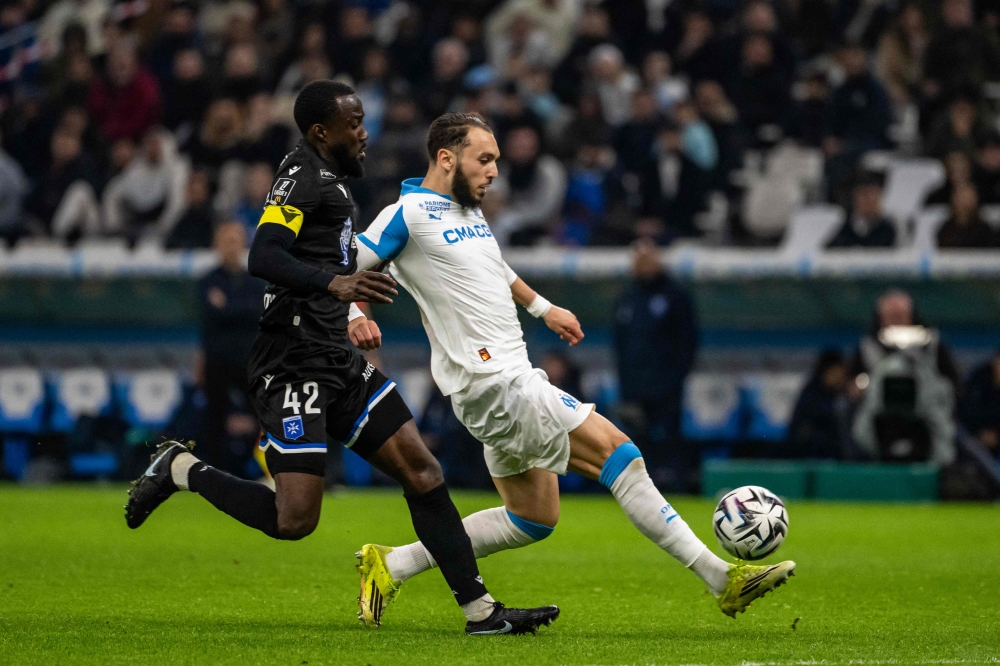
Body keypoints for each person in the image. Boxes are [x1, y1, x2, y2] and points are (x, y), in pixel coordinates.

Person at [124, 82, 558, 637]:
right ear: (320, 132)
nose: (364, 131)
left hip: (337, 357)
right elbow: (264, 254)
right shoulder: (305, 178)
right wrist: (337, 284)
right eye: (352, 123)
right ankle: (182, 470)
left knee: (423, 472)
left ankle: (481, 614)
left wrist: (349, 310)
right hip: (293, 361)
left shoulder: (328, 181)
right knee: (295, 520)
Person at [350, 112, 795, 622]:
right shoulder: (404, 214)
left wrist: (544, 308)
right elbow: (343, 267)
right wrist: (350, 316)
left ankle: (392, 564)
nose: (495, 170)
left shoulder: (468, 212)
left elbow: (499, 271)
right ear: (446, 158)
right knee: (621, 455)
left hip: (497, 383)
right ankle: (722, 578)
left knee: (533, 517)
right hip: (495, 382)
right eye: (485, 159)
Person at [613, 240, 698, 491]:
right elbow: (620, 346)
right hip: (635, 388)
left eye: (647, 260)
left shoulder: (675, 296)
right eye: (637, 261)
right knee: (638, 443)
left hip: (668, 386)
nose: (642, 266)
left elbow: (687, 342)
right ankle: (639, 491)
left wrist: (675, 379)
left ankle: (677, 489)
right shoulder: (626, 299)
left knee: (671, 439)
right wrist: (626, 387)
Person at [197, 222, 266, 476]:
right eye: (225, 241)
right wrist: (241, 310)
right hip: (218, 362)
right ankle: (213, 474)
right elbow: (211, 315)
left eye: (235, 241)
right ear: (217, 245)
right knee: (214, 420)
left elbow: (258, 312)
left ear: (243, 244)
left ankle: (261, 469)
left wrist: (227, 307)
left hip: (251, 361)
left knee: (264, 417)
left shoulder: (257, 282)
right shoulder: (207, 281)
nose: (230, 247)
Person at [786, 350, 851, 459]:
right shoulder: (811, 396)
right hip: (811, 461)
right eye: (839, 371)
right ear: (828, 371)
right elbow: (799, 433)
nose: (842, 377)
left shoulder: (841, 396)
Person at [827, 171, 897, 248]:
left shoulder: (890, 230)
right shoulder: (840, 230)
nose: (869, 200)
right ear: (854, 198)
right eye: (864, 194)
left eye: (873, 194)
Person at [959, 349, 1000, 456]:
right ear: (995, 360)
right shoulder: (978, 380)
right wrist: (979, 432)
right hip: (971, 440)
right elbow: (964, 411)